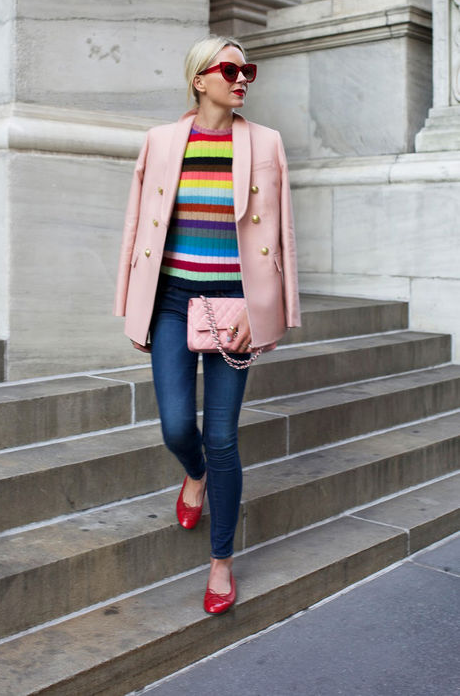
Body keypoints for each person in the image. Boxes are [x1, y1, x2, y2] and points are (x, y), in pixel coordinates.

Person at [113, 34, 300, 615]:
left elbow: (281, 237)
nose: (241, 79)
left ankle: (221, 561)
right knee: (176, 427)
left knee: (221, 436)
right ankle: (191, 474)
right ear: (199, 80)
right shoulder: (161, 141)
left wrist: (266, 315)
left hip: (234, 308)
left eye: (248, 71)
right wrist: (133, 305)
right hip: (171, 302)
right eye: (230, 70)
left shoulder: (266, 142)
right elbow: (138, 228)